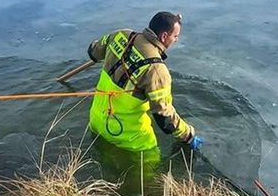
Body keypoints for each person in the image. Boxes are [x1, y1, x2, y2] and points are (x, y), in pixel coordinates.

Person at [87, 11, 204, 154]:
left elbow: (93, 51)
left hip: (96, 121)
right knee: (150, 169)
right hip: (129, 138)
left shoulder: (121, 35)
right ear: (164, 36)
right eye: (175, 36)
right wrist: (188, 135)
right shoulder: (157, 70)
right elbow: (164, 117)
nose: (176, 40)